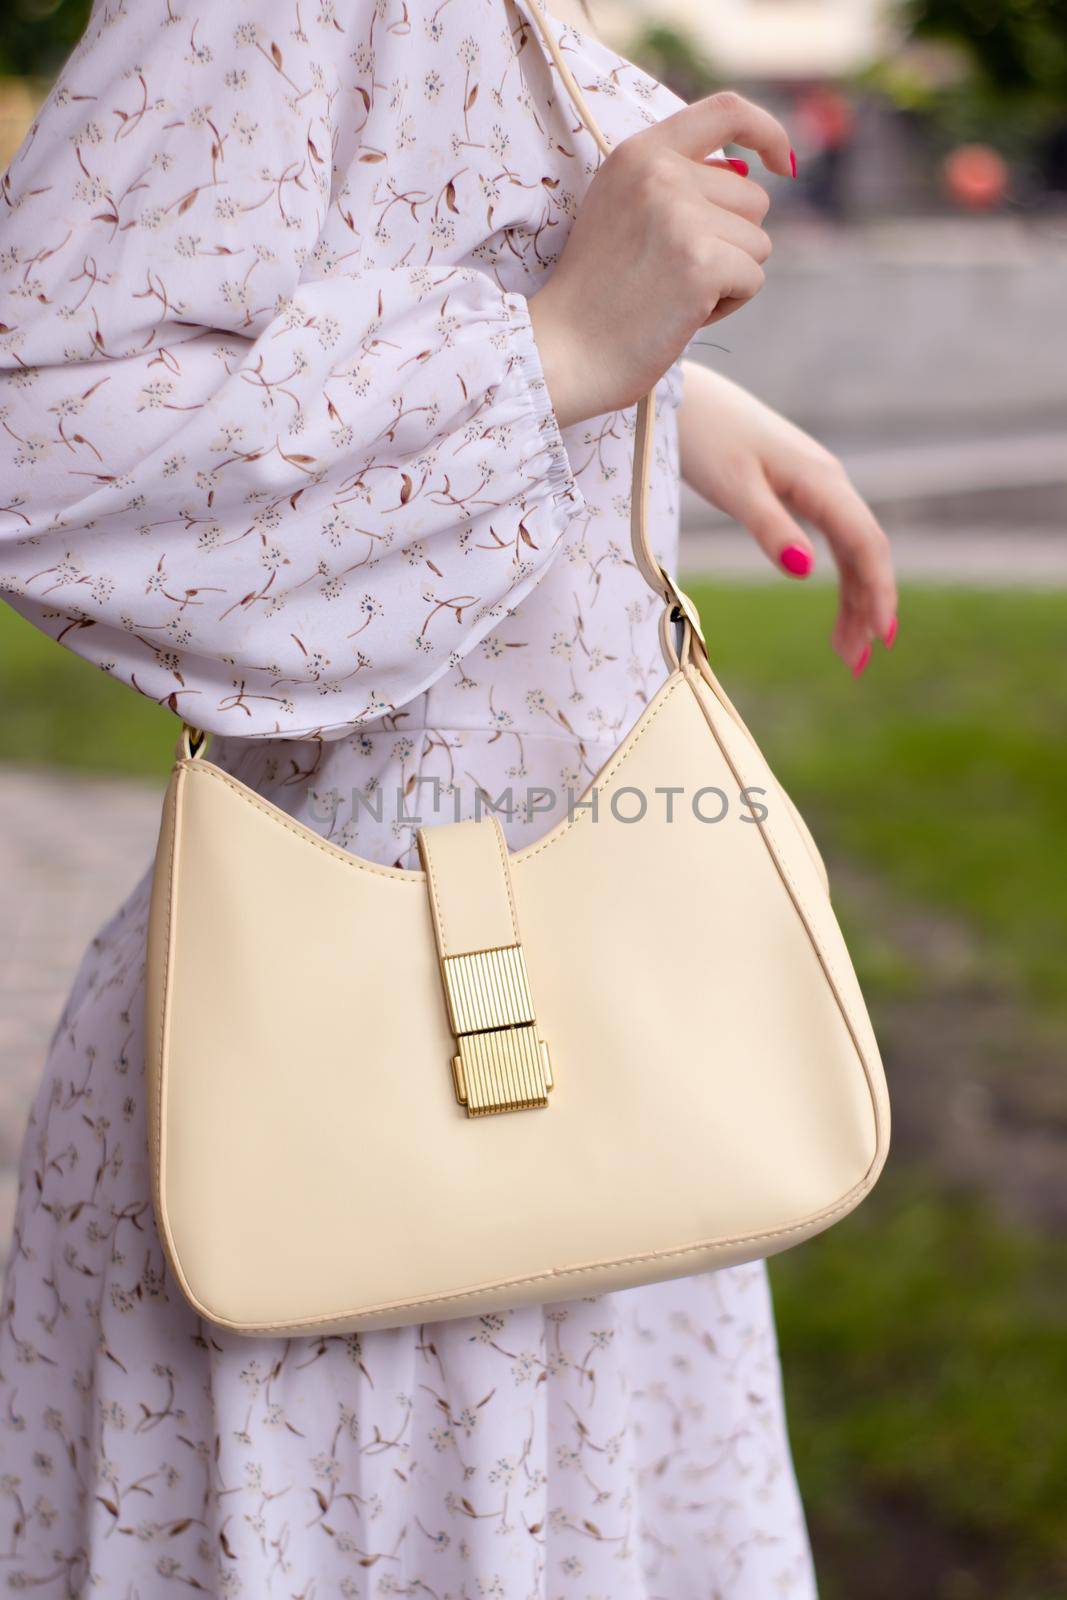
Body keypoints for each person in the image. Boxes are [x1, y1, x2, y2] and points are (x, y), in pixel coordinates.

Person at [0, 0, 897, 1592]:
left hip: (614, 1109)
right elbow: (39, 433)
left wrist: (660, 403)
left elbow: (351, 260)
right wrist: (549, 352)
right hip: (342, 1136)